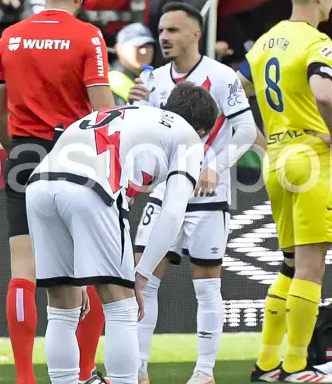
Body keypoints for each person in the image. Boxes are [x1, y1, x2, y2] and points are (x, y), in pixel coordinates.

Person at [25, 85, 217, 384]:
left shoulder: (122, 113)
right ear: (203, 130)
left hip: (39, 185)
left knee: (61, 311)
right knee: (122, 308)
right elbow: (172, 213)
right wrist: (140, 277)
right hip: (91, 187)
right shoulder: (188, 136)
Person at [0, 0, 116, 384]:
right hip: (76, 155)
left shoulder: (11, 36)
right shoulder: (88, 36)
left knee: (23, 268)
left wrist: (19, 149)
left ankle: (25, 377)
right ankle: (83, 372)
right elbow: (104, 112)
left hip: (24, 154)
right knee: (90, 263)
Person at [127, 2, 261, 384]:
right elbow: (142, 134)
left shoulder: (222, 77)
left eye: (172, 30)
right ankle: (138, 368)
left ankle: (204, 371)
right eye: (162, 30)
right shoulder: (151, 80)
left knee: (206, 282)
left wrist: (214, 165)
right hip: (163, 191)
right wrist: (134, 106)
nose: (164, 38)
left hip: (207, 197)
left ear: (195, 34)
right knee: (144, 277)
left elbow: (246, 131)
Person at [236, 0, 332, 383]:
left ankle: (266, 363)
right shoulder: (317, 42)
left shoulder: (265, 42)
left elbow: (235, 90)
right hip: (309, 155)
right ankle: (298, 366)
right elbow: (324, 94)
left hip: (276, 159)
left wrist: (260, 139)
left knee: (287, 264)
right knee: (310, 268)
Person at [109, 22, 155, 105]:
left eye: (148, 46)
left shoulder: (155, 77)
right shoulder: (110, 82)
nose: (144, 51)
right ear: (119, 48)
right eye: (138, 46)